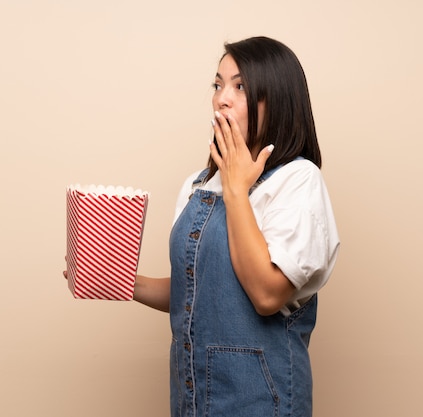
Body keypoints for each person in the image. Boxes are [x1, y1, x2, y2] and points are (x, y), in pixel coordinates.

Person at [134, 36, 339, 417]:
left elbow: (266, 294)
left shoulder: (297, 181)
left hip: (262, 403)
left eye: (240, 86)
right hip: (192, 401)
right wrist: (120, 282)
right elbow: (194, 290)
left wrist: (236, 190)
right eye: (217, 85)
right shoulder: (197, 185)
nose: (221, 99)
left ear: (275, 97)